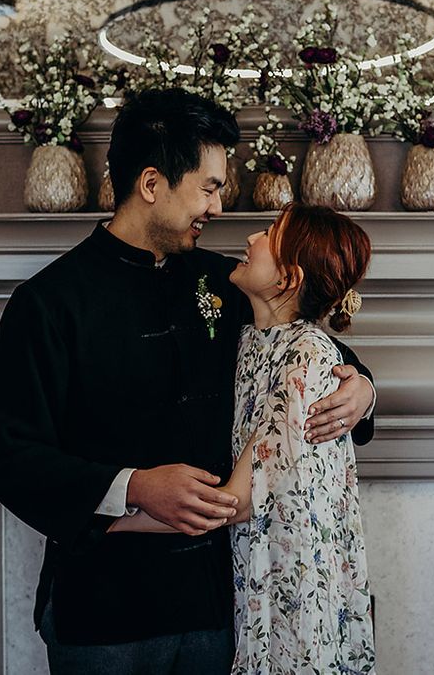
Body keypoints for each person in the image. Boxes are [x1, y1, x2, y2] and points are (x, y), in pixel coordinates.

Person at [0, 88, 376, 675]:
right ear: (150, 184)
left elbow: (316, 348)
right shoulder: (47, 304)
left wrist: (363, 391)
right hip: (103, 613)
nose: (217, 209)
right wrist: (134, 486)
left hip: (219, 608)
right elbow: (10, 455)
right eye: (209, 188)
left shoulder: (230, 282)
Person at [113, 204, 377, 674]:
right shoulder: (252, 337)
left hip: (291, 591)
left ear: (287, 279)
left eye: (271, 233)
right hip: (254, 573)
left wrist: (105, 519)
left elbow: (235, 502)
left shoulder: (305, 359)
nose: (252, 236)